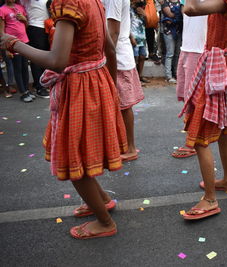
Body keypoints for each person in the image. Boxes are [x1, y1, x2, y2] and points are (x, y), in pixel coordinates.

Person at [0, 0, 128, 238]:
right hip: (96, 81)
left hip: (80, 87)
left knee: (71, 160)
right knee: (78, 151)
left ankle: (105, 222)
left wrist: (13, 43)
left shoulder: (68, 2)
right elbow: (109, 48)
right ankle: (102, 201)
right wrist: (110, 90)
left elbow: (58, 61)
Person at [179, 0, 227, 220]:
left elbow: (190, 9)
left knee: (200, 138)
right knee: (222, 131)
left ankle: (210, 200)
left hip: (219, 68)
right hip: (226, 64)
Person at [106, 0, 145, 162]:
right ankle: (124, 145)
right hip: (118, 56)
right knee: (120, 105)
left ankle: (129, 147)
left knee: (124, 105)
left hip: (117, 59)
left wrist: (107, 62)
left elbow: (113, 32)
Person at [171, 0, 207, 159]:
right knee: (188, 99)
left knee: (195, 100)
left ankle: (192, 141)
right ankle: (193, 138)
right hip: (187, 47)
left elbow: (191, 9)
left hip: (199, 50)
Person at [0, 0, 34, 103]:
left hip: (25, 41)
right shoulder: (2, 10)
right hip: (13, 44)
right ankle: (23, 92)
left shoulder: (20, 7)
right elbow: (1, 31)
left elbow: (26, 25)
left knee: (24, 67)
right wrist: (6, 48)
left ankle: (27, 90)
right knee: (17, 68)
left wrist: (24, 19)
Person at [20, 0, 50, 98]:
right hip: (35, 27)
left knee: (46, 57)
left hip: (48, 27)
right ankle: (39, 87)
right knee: (37, 58)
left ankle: (44, 83)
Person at [160, 0, 183, 83]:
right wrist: (179, 15)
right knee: (170, 54)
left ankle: (176, 74)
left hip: (179, 31)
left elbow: (174, 15)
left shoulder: (180, 2)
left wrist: (175, 16)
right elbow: (169, 14)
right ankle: (168, 76)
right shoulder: (165, 2)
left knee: (177, 54)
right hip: (169, 32)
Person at [130, 0, 150, 83]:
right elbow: (126, 24)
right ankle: (133, 78)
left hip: (142, 37)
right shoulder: (129, 9)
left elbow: (147, 24)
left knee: (142, 56)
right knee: (134, 57)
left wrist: (145, 15)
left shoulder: (142, 9)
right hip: (133, 37)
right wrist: (130, 37)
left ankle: (139, 76)